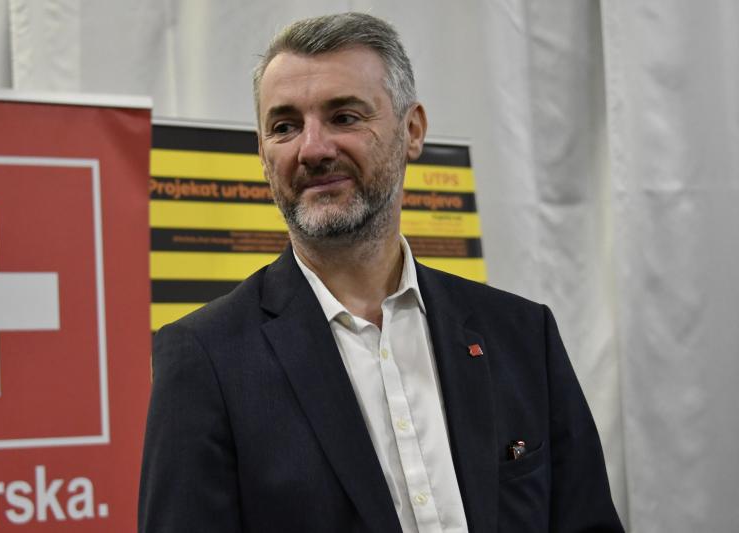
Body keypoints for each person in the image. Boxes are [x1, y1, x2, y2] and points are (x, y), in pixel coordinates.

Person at [138, 12, 624, 533]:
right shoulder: (205, 360)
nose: (313, 149)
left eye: (344, 116)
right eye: (284, 127)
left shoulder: (522, 335)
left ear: (412, 131)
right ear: (262, 153)